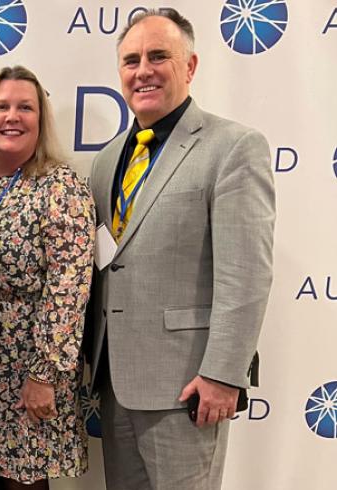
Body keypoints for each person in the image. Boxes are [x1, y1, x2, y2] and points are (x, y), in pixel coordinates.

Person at [86, 8, 275, 490]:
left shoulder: (232, 147)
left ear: (189, 67)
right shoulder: (108, 160)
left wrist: (223, 374)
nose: (142, 70)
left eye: (158, 56)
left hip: (188, 386)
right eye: (131, 60)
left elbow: (246, 274)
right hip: (115, 385)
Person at [0, 66, 95, 490]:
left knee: (23, 483)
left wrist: (44, 373)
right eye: (2, 106)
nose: (12, 116)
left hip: (29, 365)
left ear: (40, 119)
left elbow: (69, 288)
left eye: (25, 107)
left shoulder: (59, 186)